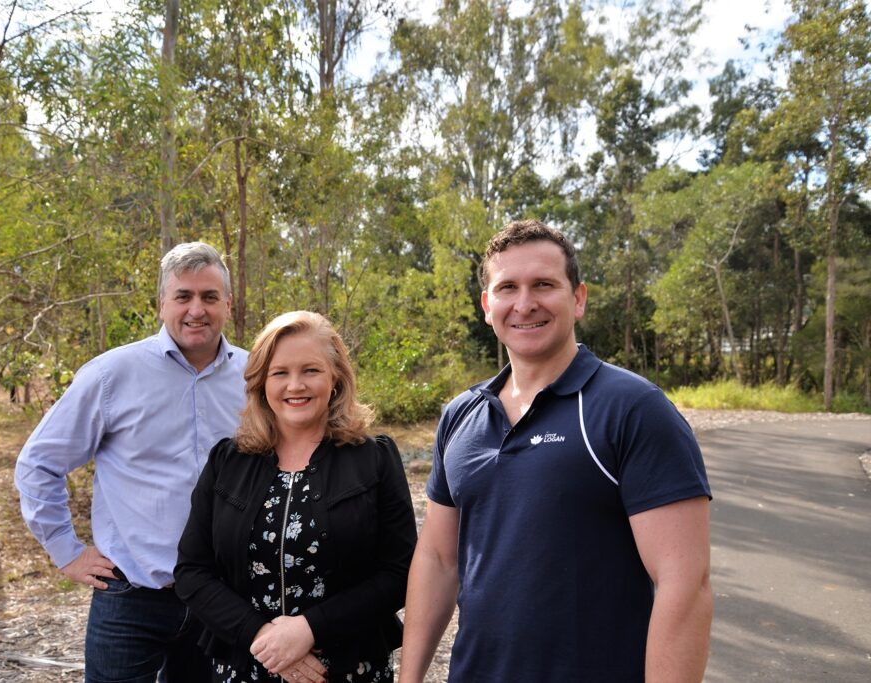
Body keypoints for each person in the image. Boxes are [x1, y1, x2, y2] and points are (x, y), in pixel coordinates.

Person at [398, 220, 713, 683]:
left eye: (543, 284)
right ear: (488, 306)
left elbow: (685, 585)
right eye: (508, 287)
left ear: (578, 298)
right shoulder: (460, 416)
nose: (525, 304)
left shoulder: (632, 408)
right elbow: (439, 561)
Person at [15, 242, 248, 683]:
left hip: (220, 599)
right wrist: (66, 551)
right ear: (162, 303)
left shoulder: (254, 378)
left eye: (209, 296)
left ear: (228, 304)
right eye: (183, 296)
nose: (196, 309)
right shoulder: (111, 375)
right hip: (130, 599)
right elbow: (38, 463)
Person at [175, 311, 417, 683]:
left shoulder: (373, 458)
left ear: (335, 378)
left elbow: (400, 571)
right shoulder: (228, 461)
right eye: (280, 373)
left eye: (311, 370)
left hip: (347, 668)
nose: (295, 385)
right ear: (261, 382)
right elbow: (192, 572)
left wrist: (309, 629)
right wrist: (264, 637)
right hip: (246, 665)